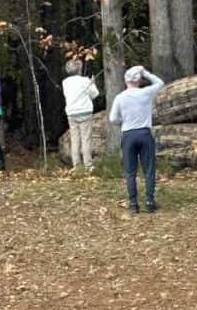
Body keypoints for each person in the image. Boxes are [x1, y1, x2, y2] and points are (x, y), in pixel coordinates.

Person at [108, 65, 164, 214]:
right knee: (149, 169)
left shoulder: (120, 97)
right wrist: (145, 72)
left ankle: (133, 203)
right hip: (145, 134)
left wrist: (124, 119)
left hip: (128, 135)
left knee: (130, 171)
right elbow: (159, 83)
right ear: (139, 80)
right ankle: (149, 201)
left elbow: (113, 118)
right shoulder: (146, 93)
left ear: (126, 81)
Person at [61, 59, 100, 170]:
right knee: (86, 139)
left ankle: (76, 165)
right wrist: (93, 83)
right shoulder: (85, 81)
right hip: (85, 112)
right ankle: (88, 165)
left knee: (75, 139)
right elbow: (95, 94)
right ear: (79, 69)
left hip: (72, 113)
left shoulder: (65, 82)